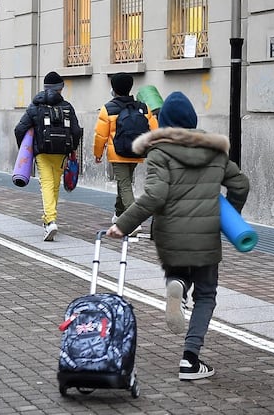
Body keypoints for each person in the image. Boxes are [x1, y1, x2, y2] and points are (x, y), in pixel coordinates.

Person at [106, 91, 249, 381]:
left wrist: (123, 223)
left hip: (171, 232)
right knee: (206, 294)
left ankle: (177, 284)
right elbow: (241, 184)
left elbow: (156, 195)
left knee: (180, 273)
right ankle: (190, 360)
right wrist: (228, 216)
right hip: (206, 232)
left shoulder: (158, 153)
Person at [13, 71, 83, 241]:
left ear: (45, 88)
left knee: (46, 184)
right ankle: (49, 219)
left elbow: (19, 129)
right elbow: (75, 130)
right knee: (55, 185)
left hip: (42, 152)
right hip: (61, 152)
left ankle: (50, 221)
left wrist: (25, 149)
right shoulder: (67, 107)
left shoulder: (35, 106)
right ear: (60, 89)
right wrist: (72, 148)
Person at [93, 72, 158, 234]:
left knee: (125, 184)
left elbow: (100, 135)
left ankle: (132, 221)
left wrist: (98, 153)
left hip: (118, 153)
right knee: (125, 183)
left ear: (113, 89)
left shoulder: (107, 109)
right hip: (137, 151)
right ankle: (118, 213)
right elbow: (154, 130)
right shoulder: (143, 107)